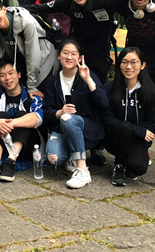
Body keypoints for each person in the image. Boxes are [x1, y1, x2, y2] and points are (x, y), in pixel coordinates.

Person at [29, 0, 115, 83]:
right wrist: (12, 10)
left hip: (100, 55)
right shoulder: (68, 2)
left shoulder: (104, 1)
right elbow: (41, 8)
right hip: (76, 52)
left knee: (96, 86)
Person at [43, 40, 109, 189]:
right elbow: (46, 111)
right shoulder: (53, 81)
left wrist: (88, 79)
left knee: (68, 119)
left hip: (87, 131)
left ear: (80, 58)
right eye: (65, 53)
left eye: (73, 54)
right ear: (58, 56)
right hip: (62, 130)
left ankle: (82, 169)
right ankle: (73, 156)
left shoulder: (88, 75)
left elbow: (104, 104)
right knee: (54, 158)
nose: (69, 57)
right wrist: (59, 112)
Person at [102, 47, 155, 186]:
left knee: (138, 167)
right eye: (124, 62)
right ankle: (119, 165)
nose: (129, 67)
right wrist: (138, 130)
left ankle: (130, 160)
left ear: (142, 65)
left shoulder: (150, 90)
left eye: (134, 62)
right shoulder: (110, 88)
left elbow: (152, 123)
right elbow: (107, 119)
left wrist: (137, 133)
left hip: (137, 141)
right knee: (124, 126)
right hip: (115, 138)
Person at [0, 0, 55, 97]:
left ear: (4, 9)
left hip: (43, 55)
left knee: (39, 92)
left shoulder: (26, 23)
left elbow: (32, 55)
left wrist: (32, 86)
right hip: (22, 56)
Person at [0, 60, 43, 182]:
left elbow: (38, 118)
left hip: (27, 147)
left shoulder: (31, 96)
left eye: (11, 73)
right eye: (2, 75)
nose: (7, 78)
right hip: (3, 144)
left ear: (19, 74)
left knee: (22, 116)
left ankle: (10, 163)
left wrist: (12, 123)